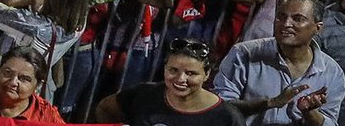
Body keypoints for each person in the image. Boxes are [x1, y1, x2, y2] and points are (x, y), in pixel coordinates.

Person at [214, 0, 345, 126]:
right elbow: (221, 107)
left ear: (317, 28)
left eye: (298, 19)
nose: (286, 24)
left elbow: (330, 123)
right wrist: (269, 103)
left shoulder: (332, 72)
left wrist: (309, 113)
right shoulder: (243, 53)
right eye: (281, 17)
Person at [95, 38, 244, 125]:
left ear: (207, 74)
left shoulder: (227, 117)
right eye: (173, 70)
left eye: (191, 73)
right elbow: (105, 109)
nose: (180, 79)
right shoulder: (143, 94)